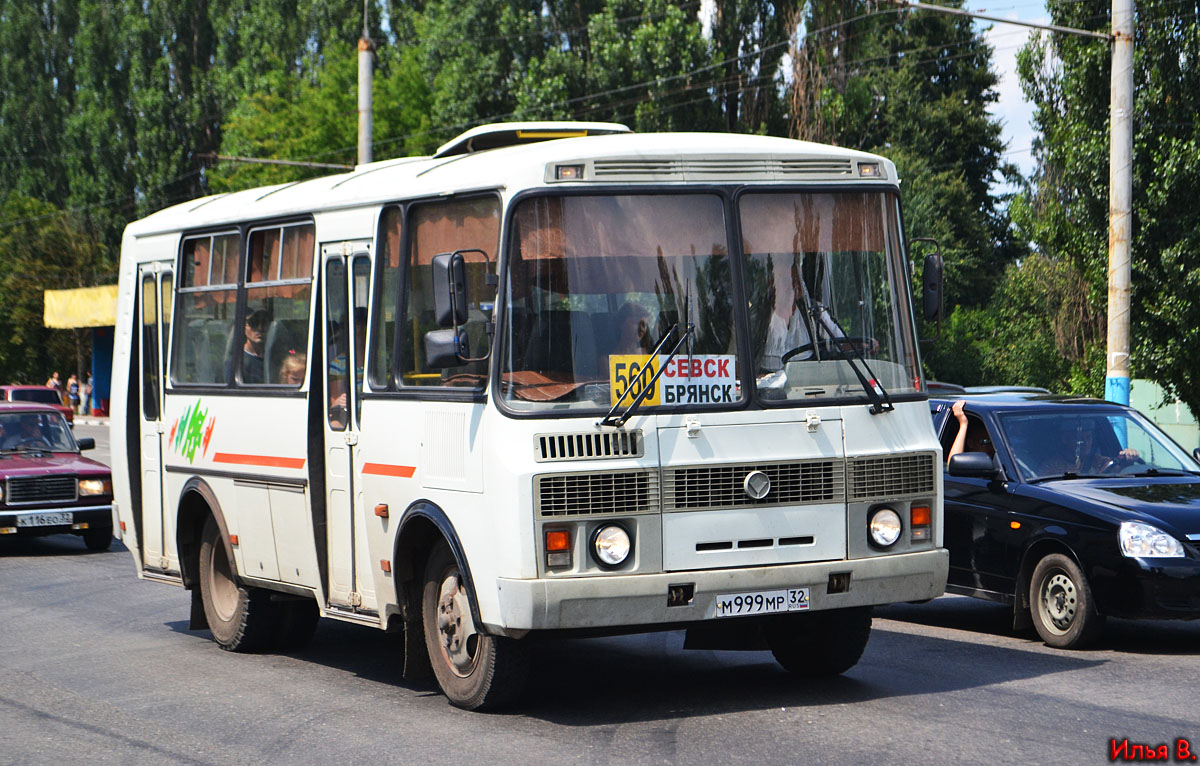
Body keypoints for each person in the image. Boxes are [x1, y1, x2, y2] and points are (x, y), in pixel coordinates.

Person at [1039, 418, 1139, 476]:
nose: (1086, 442)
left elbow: (1116, 470)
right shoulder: (1051, 467)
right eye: (1079, 438)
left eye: (1088, 437)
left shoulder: (1098, 461)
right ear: (1065, 439)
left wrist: (1127, 459)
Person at [944, 400, 995, 467]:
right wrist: (963, 424)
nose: (991, 447)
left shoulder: (1007, 463)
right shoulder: (968, 467)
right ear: (971, 443)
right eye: (985, 442)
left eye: (993, 442)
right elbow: (952, 466)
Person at [238, 309, 269, 383]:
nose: (260, 328)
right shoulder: (237, 361)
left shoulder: (274, 358)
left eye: (264, 323)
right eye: (254, 323)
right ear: (244, 327)